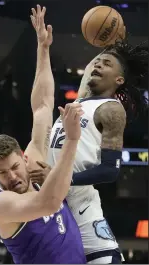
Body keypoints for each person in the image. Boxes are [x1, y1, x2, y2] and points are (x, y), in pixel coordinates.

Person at [29, 36, 148, 263]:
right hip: (49, 199)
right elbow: (87, 74)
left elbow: (110, 170)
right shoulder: (79, 102)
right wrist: (110, 43)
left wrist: (58, 179)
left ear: (119, 79)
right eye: (97, 62)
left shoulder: (111, 109)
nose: (98, 65)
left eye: (107, 64)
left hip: (79, 203)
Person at [0, 5, 86, 264]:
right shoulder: (2, 205)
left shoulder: (34, 158)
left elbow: (42, 106)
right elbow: (50, 202)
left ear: (23, 157)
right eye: (2, 173)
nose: (13, 176)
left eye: (14, 167)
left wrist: (43, 48)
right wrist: (72, 139)